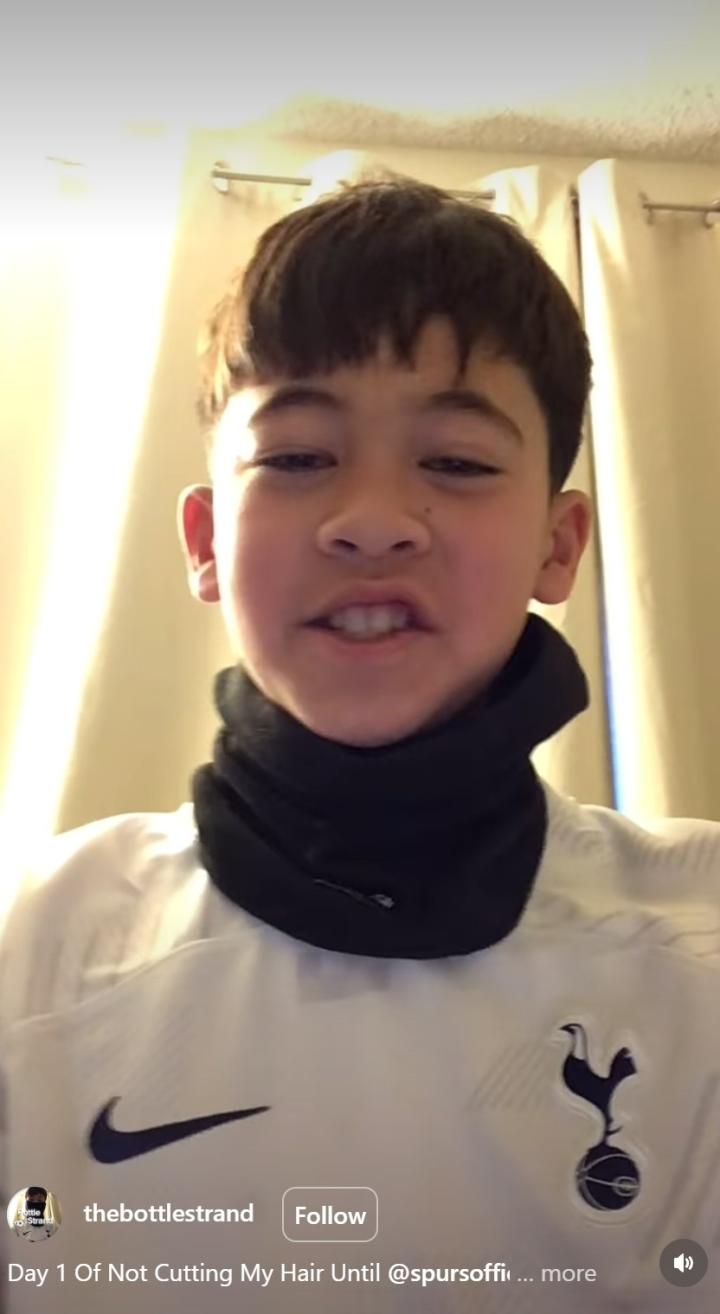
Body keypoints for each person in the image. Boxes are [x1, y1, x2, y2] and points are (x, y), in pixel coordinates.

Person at [1, 177, 718, 1314]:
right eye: (296, 458)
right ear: (205, 541)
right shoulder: (37, 936)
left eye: (457, 462)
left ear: (559, 544)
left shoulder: (701, 944)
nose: (372, 520)